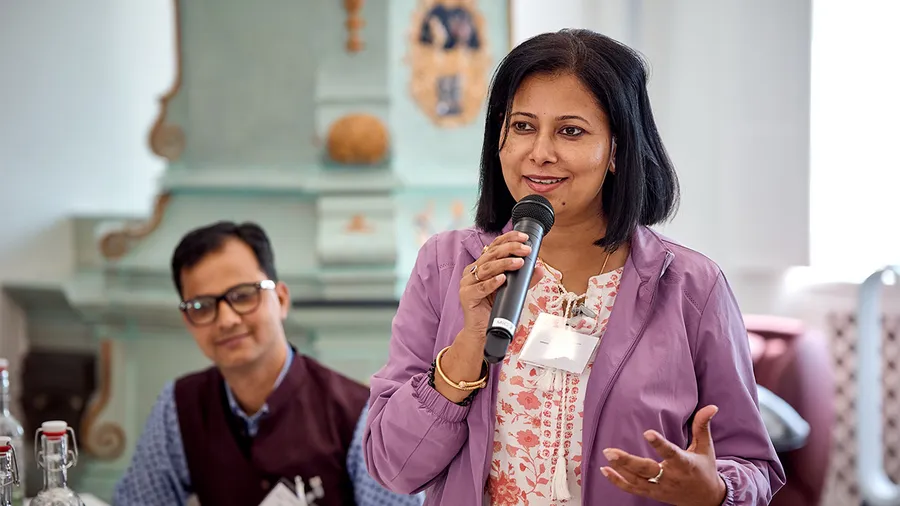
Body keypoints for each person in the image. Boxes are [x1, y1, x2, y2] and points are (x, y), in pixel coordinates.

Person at [364, 29, 785, 506]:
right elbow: (392, 467)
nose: (539, 152)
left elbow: (754, 466)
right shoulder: (447, 265)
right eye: (522, 126)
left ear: (617, 149)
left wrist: (717, 490)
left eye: (570, 131)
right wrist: (467, 345)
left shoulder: (692, 286)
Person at [113, 221, 424, 506]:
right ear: (188, 320)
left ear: (282, 299)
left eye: (243, 295)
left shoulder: (359, 417)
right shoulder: (178, 406)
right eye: (202, 306)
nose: (226, 320)